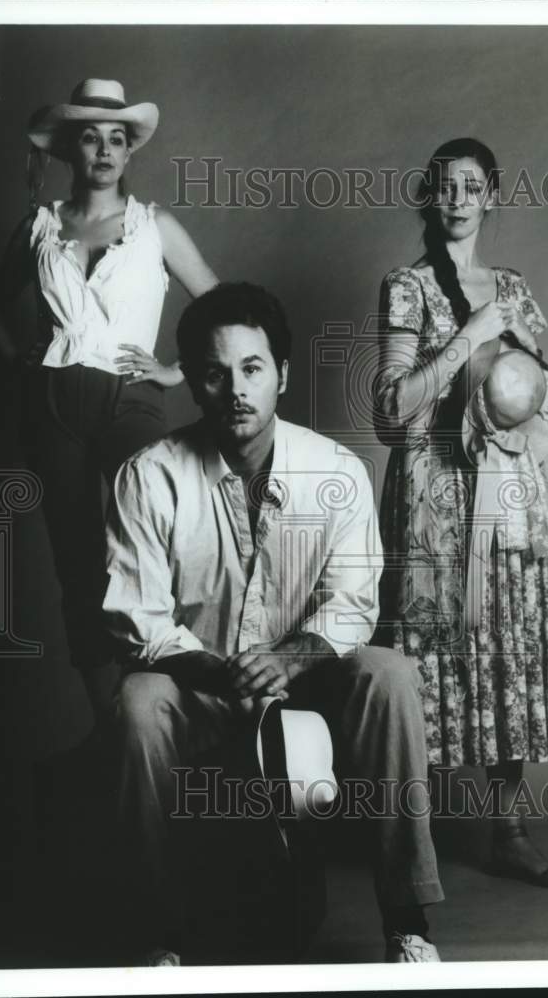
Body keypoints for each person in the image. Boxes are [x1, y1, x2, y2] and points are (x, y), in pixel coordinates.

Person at [103, 282, 444, 965]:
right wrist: (218, 671)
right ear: (192, 381)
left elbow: (353, 602)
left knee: (391, 674)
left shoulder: (335, 471)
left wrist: (287, 658)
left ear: (281, 375)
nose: (236, 389)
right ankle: (158, 935)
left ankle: (407, 925)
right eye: (215, 372)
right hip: (199, 685)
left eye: (252, 368)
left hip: (309, 681)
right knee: (138, 702)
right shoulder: (149, 476)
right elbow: (138, 616)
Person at [0, 79, 218, 723]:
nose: (106, 150)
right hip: (52, 406)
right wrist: (20, 365)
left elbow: (220, 305)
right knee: (77, 562)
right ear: (70, 149)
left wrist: (174, 373)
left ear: (129, 150)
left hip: (130, 402)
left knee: (149, 553)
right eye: (91, 137)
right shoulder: (41, 226)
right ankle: (108, 722)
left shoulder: (153, 226)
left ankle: (171, 707)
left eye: (117, 138)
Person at [374, 138, 548, 889]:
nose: (457, 198)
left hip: (505, 493)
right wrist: (468, 337)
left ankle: (508, 832)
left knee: (507, 648)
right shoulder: (407, 287)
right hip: (435, 498)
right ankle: (411, 839)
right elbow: (391, 413)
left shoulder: (513, 289)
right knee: (428, 654)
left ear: (490, 196)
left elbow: (535, 393)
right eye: (444, 186)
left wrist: (521, 382)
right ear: (429, 198)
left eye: (471, 185)